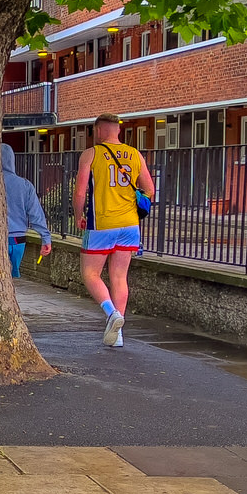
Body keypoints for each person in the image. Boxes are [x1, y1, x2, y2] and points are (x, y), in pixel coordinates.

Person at [72, 113, 155, 347]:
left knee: (90, 274)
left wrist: (79, 216)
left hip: (101, 223)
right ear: (118, 130)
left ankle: (112, 314)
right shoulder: (135, 154)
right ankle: (117, 335)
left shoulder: (91, 154)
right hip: (130, 225)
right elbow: (149, 190)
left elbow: (80, 193)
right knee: (119, 277)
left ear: (98, 131)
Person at [2, 144, 51, 279]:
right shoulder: (25, 185)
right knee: (12, 278)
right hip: (18, 239)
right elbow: (36, 214)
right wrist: (45, 238)